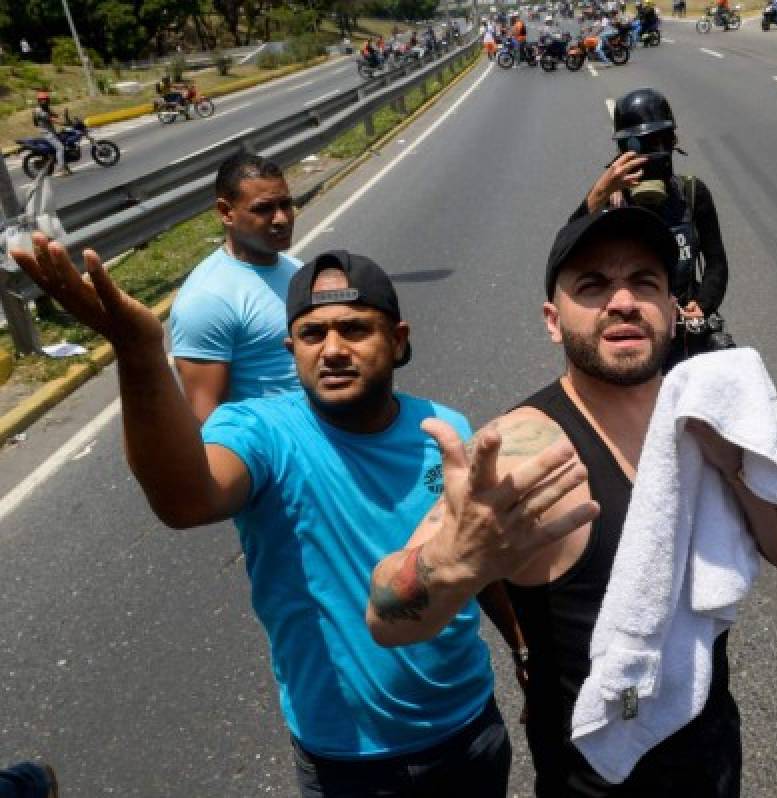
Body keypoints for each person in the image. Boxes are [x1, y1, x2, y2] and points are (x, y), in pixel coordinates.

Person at [9, 239, 558, 797]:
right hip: (347, 761)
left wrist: (522, 647)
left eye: (355, 329)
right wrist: (138, 352)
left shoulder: (446, 429)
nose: (333, 349)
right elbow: (185, 500)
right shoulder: (259, 432)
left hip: (468, 727)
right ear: (290, 348)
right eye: (313, 335)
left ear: (397, 342)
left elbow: (481, 559)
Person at [367, 206, 777, 796]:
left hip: (714, 761)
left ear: (670, 307)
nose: (623, 301)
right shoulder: (524, 449)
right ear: (554, 322)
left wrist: (738, 461)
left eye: (645, 282)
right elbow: (386, 618)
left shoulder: (710, 416)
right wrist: (457, 560)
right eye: (593, 285)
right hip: (595, 782)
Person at [574, 88, 731, 368]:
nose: (651, 154)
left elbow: (716, 261)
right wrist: (599, 194)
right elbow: (565, 261)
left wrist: (704, 305)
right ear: (622, 151)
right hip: (635, 340)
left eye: (659, 142)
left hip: (686, 336)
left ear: (673, 141)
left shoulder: (692, 194)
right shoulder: (610, 204)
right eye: (638, 146)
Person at [169, 153, 301, 422]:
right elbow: (209, 419)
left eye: (285, 204)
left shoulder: (297, 269)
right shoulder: (205, 300)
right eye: (263, 209)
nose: (281, 219)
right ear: (226, 212)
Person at [31, 91, 68, 176]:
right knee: (60, 148)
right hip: (47, 133)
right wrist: (63, 123)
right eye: (43, 100)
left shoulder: (46, 108)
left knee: (65, 142)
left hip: (52, 131)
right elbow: (51, 119)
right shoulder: (39, 111)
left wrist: (63, 115)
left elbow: (55, 115)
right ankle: (59, 170)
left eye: (46, 100)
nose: (45, 101)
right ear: (39, 101)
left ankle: (65, 167)